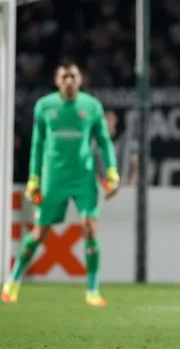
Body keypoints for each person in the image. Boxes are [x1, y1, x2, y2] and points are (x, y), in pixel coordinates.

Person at [1, 59, 120, 307]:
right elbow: (37, 144)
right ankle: (13, 280)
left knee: (89, 228)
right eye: (64, 77)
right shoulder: (45, 106)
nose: (68, 81)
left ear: (80, 80)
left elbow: (104, 141)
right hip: (53, 178)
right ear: (57, 81)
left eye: (73, 76)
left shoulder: (92, 106)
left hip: (83, 177)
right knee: (39, 233)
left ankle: (93, 290)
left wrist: (112, 172)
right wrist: (33, 178)